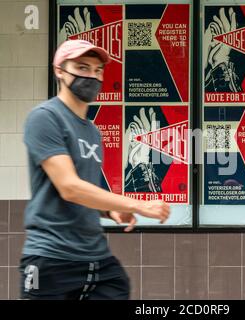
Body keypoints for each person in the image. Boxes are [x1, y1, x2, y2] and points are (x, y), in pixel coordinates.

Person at [19, 39, 170, 300]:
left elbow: (88, 187)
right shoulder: (45, 117)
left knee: (119, 284)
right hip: (51, 257)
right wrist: (138, 205)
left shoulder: (92, 131)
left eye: (97, 70)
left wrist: (111, 211)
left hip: (96, 257)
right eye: (82, 67)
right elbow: (70, 188)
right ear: (59, 71)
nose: (91, 76)